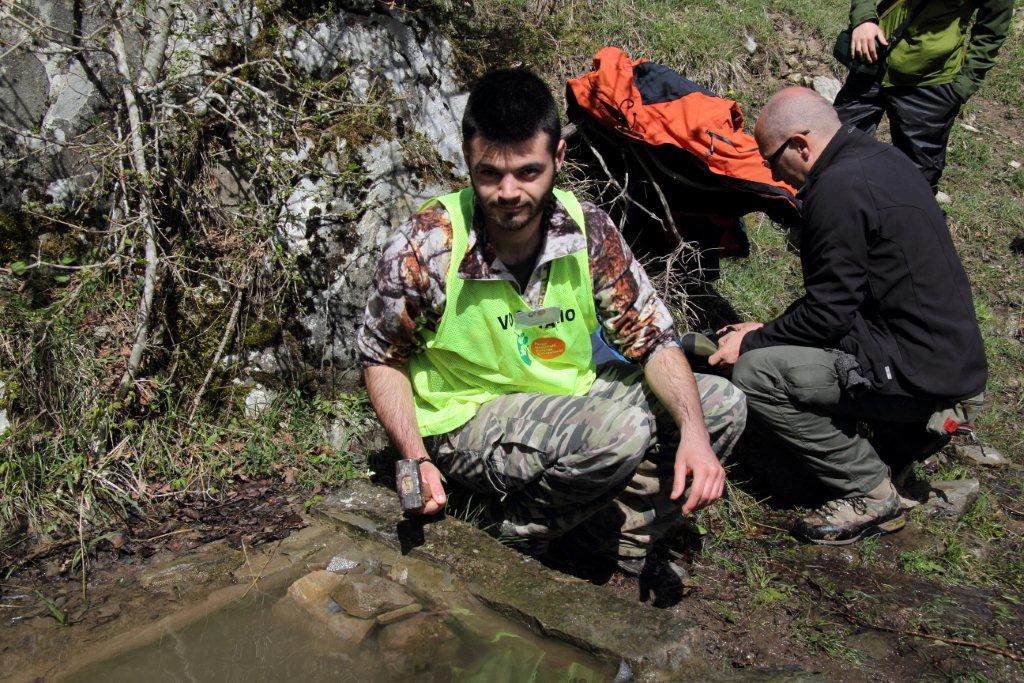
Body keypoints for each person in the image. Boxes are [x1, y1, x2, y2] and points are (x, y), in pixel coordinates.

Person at [357, 69, 747, 577]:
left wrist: (693, 432)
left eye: (527, 171)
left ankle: (615, 538)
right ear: (468, 162)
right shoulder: (430, 241)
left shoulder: (587, 229)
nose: (508, 191)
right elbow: (381, 356)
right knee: (621, 432)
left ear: (559, 158)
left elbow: (652, 338)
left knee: (719, 407)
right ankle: (513, 533)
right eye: (490, 174)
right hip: (467, 416)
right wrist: (414, 456)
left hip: (568, 397)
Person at [710, 87, 986, 545]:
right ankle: (905, 437)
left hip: (919, 371)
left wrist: (754, 342)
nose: (773, 173)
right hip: (946, 356)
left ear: (800, 144)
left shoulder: (835, 190)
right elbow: (844, 296)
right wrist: (769, 329)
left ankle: (869, 489)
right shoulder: (883, 161)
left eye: (771, 159)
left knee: (758, 372)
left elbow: (828, 316)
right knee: (773, 346)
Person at [833, 0, 1013, 192]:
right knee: (832, 149)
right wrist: (864, 19)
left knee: (917, 181)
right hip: (872, 61)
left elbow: (992, 29)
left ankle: (901, 221)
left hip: (931, 82)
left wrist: (964, 85)